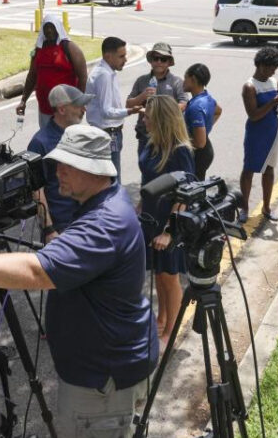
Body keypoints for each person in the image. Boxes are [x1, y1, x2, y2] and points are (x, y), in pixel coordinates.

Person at [0, 125, 158, 438]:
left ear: (95, 171)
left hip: (101, 383)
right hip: (110, 367)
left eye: (68, 165)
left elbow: (36, 273)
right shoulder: (104, 202)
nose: (57, 171)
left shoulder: (104, 223)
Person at [138, 96, 195, 347]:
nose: (143, 119)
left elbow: (185, 193)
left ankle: (170, 333)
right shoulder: (152, 144)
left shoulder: (180, 150)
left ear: (160, 120)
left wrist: (170, 231)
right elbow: (148, 182)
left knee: (170, 277)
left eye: (147, 116)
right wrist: (139, 206)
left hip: (168, 224)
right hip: (150, 220)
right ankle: (161, 319)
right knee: (159, 274)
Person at [27, 84, 94, 237]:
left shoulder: (79, 134)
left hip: (86, 217)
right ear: (62, 109)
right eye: (79, 106)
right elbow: (37, 191)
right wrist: (49, 229)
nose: (84, 110)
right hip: (63, 226)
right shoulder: (40, 143)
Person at [239, 47, 278, 223]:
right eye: (271, 67)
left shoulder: (274, 82)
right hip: (256, 133)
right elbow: (253, 115)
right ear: (261, 65)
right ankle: (244, 207)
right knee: (249, 169)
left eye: (275, 68)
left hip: (272, 132)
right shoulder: (249, 86)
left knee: (269, 170)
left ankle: (266, 207)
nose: (273, 71)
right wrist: (272, 102)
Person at [86, 37, 143, 183]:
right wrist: (129, 111)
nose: (125, 59)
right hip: (108, 134)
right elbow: (106, 111)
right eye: (121, 56)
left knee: (108, 178)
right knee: (113, 179)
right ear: (108, 56)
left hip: (110, 132)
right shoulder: (103, 75)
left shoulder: (106, 72)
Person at [17, 14, 88, 128]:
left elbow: (83, 77)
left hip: (66, 110)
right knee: (47, 142)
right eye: (46, 27)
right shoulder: (38, 50)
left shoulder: (69, 48)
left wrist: (78, 103)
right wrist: (23, 101)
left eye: (52, 27)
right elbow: (32, 77)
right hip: (45, 109)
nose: (49, 30)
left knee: (66, 142)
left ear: (58, 28)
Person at [127, 42, 190, 154]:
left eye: (163, 59)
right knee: (145, 168)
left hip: (168, 135)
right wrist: (142, 96)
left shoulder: (176, 82)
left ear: (169, 62)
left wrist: (163, 112)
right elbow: (128, 104)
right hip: (145, 135)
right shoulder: (141, 81)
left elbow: (184, 103)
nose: (159, 62)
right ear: (151, 60)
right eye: (156, 58)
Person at [183, 63, 222, 180]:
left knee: (193, 191)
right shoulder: (207, 98)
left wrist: (178, 144)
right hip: (205, 152)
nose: (183, 82)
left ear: (193, 79)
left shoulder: (196, 106)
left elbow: (200, 143)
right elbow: (218, 111)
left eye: (185, 78)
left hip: (198, 155)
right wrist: (206, 128)